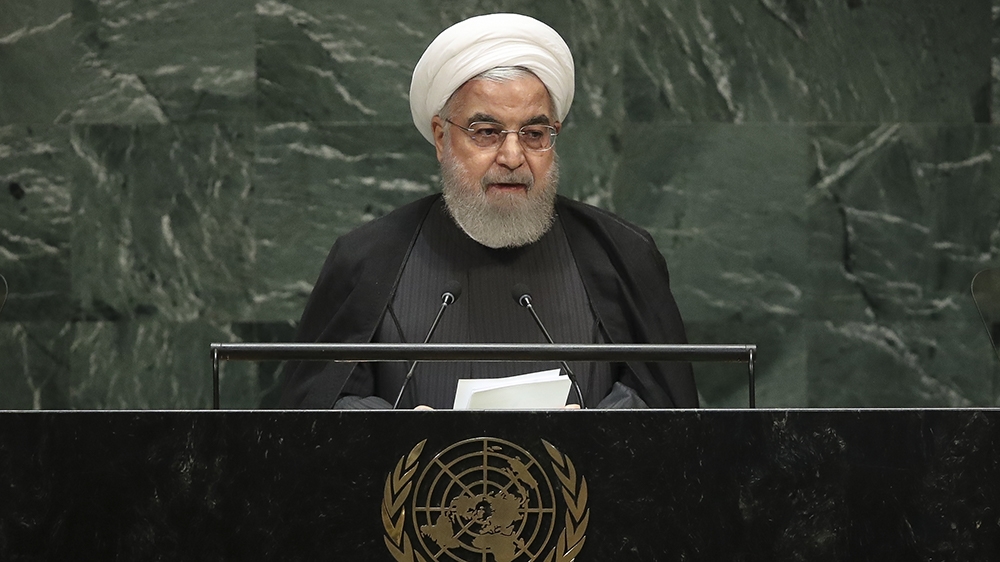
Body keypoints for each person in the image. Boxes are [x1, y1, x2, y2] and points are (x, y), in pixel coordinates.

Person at [279, 13, 698, 409]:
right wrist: (396, 433)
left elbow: (666, 409)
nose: (513, 156)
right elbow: (315, 415)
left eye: (534, 133)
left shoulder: (622, 254)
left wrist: (594, 430)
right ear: (441, 137)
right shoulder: (366, 258)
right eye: (486, 133)